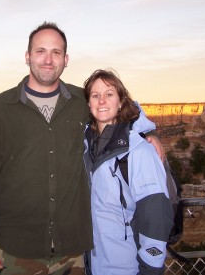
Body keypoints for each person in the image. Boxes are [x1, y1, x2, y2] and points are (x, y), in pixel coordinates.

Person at [0, 22, 165, 275]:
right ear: (27, 57)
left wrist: (149, 132)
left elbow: (120, 106)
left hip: (73, 255)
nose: (48, 59)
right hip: (16, 252)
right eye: (40, 51)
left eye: (56, 52)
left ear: (66, 59)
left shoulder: (81, 101)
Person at [83, 69, 174, 275]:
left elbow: (156, 217)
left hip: (127, 267)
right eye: (95, 96)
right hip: (92, 264)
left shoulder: (139, 151)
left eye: (109, 94)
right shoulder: (86, 146)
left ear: (121, 101)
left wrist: (150, 269)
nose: (102, 101)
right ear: (88, 104)